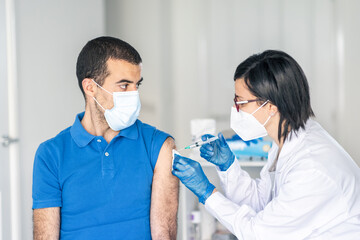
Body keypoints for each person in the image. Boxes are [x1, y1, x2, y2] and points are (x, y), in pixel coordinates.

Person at [172, 50, 360, 239]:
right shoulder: (286, 142)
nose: (235, 110)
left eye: (241, 103)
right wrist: (228, 167)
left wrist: (207, 192)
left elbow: (258, 233)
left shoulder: (310, 168)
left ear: (271, 107)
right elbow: (262, 203)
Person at [32, 36, 179, 240]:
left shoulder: (159, 146)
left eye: (138, 85)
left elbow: (164, 235)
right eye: (124, 86)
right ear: (90, 87)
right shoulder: (51, 154)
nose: (134, 95)